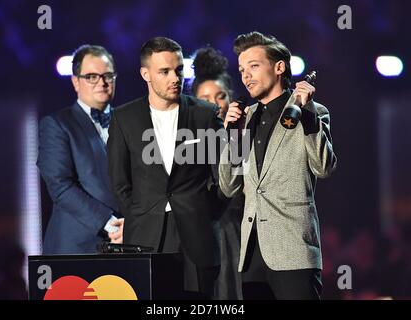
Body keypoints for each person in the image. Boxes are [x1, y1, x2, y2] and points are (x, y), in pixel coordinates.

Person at [219, 31, 337, 300]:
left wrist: (306, 114)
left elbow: (324, 167)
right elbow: (228, 186)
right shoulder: (245, 118)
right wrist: (232, 137)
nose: (245, 75)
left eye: (254, 66)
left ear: (279, 67)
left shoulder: (313, 112)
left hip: (293, 250)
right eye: (241, 69)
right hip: (252, 254)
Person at [107, 37, 223, 299]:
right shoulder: (124, 118)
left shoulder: (205, 114)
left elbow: (223, 177)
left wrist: (206, 212)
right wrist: (140, 215)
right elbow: (119, 182)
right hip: (145, 236)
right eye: (165, 71)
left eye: (179, 70)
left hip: (197, 236)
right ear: (145, 73)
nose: (175, 77)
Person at [37, 45, 124, 254]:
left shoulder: (129, 122)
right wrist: (111, 223)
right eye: (92, 76)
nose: (102, 83)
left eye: (107, 75)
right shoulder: (56, 124)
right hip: (77, 248)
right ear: (76, 82)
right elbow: (60, 187)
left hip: (125, 244)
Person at [191, 47, 244, 300]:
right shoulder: (187, 142)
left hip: (237, 232)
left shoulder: (242, 136)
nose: (214, 103)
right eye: (206, 96)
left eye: (220, 95)